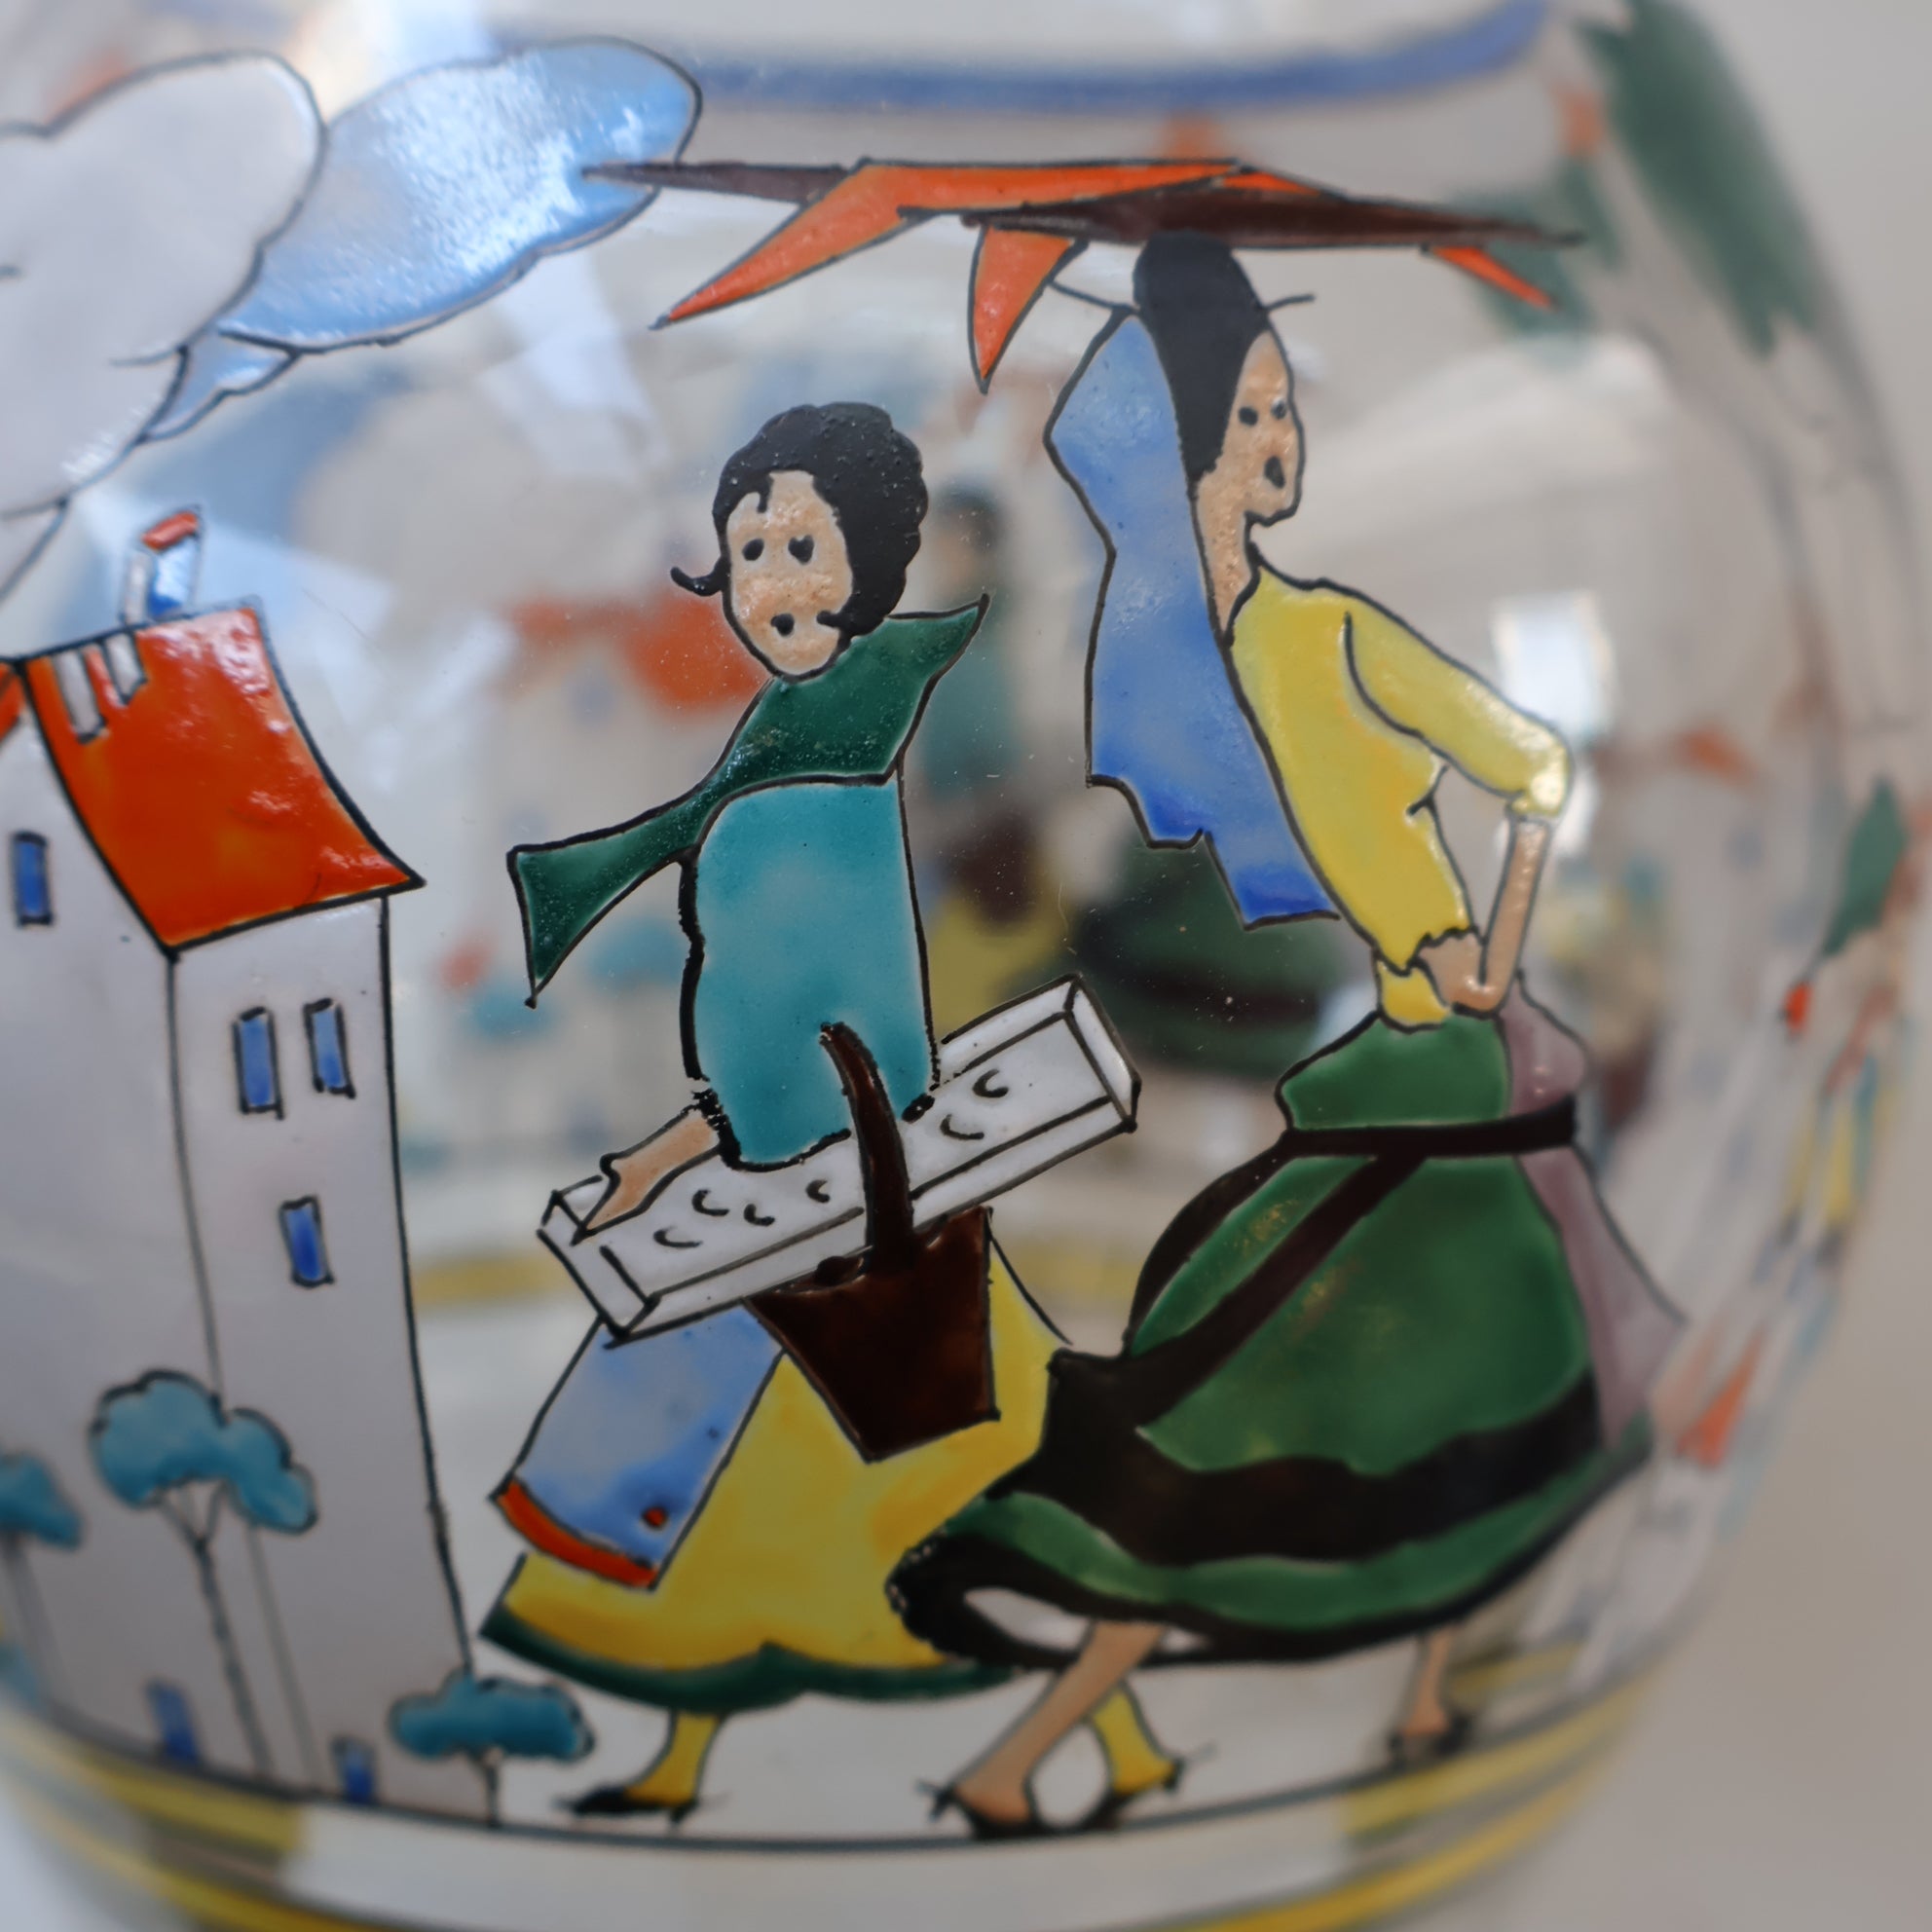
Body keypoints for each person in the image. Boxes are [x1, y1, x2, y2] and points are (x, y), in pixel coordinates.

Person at [892, 235, 1685, 1835]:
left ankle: (1333, 1711)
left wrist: (1486, 957)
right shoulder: (1171, 643)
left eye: (1276, 413)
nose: (1275, 445)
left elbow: (1534, 766)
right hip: (1372, 1070)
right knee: (1328, 1410)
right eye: (1240, 419)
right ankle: (1382, 1701)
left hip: (1436, 1068)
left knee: (1339, 1412)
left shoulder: (1323, 631)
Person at [482, 402, 1170, 1821]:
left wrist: (792, 1150)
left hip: (860, 1212)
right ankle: (690, 1762)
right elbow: (760, 1027)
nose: (773, 579)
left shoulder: (847, 749)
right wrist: (671, 1156)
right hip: (796, 1194)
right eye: (752, 549)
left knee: (949, 1483)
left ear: (874, 563)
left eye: (803, 546)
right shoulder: (784, 745)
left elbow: (837, 1008)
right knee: (734, 1489)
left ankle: (1118, 1733)